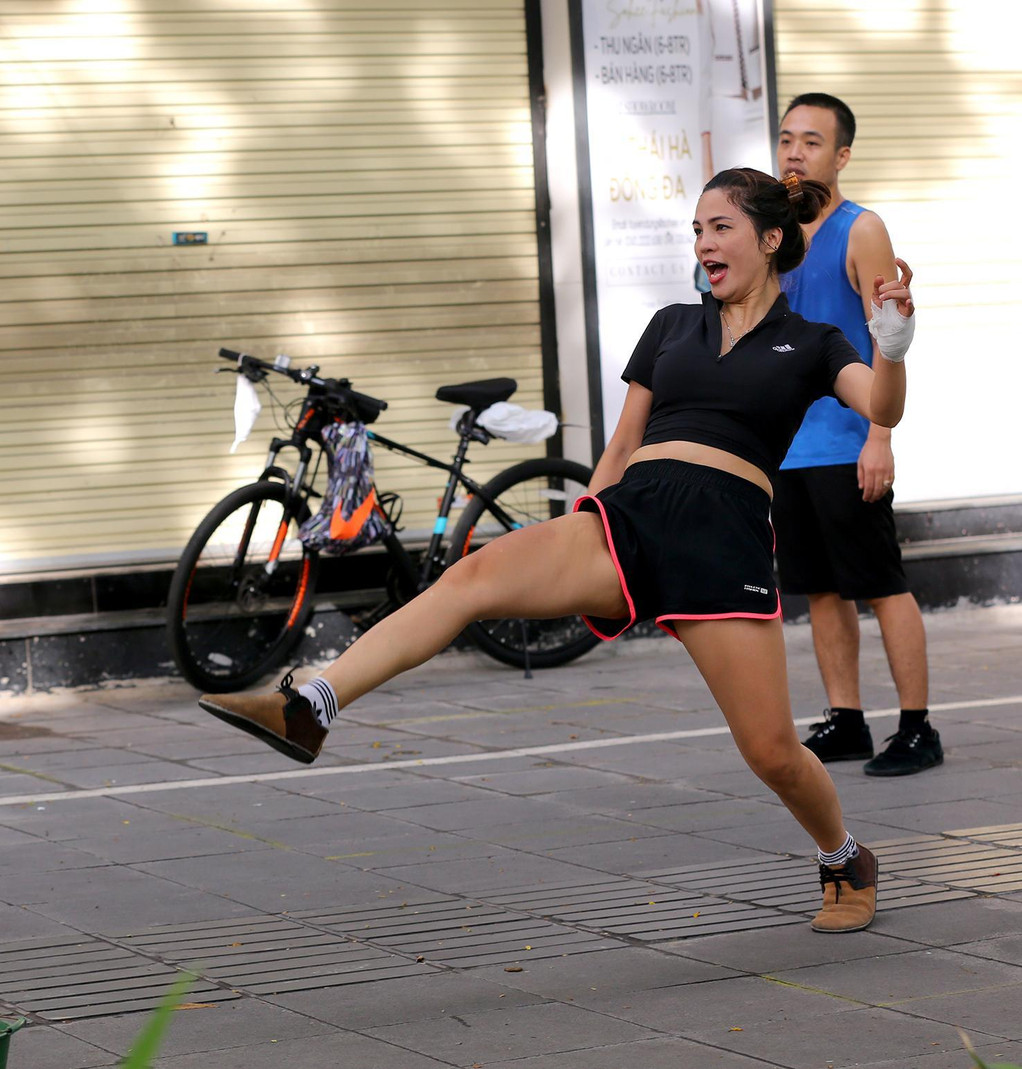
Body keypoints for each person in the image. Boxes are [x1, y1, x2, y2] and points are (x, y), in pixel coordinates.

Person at [199, 167, 917, 934]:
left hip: (724, 537)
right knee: (470, 576)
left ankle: (844, 855)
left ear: (770, 239)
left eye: (721, 228)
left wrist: (894, 346)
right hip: (631, 516)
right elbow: (624, 440)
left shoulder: (811, 341)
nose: (703, 243)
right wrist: (593, 514)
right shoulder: (673, 325)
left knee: (772, 751)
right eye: (697, 230)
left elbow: (880, 405)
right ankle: (312, 703)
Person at [775, 93, 941, 777]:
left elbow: (888, 337)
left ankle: (916, 726)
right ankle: (845, 719)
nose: (794, 152)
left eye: (812, 142)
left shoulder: (860, 228)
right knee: (818, 589)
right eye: (786, 139)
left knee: (881, 583)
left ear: (841, 155)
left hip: (848, 441)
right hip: (787, 447)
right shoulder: (772, 230)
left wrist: (880, 436)